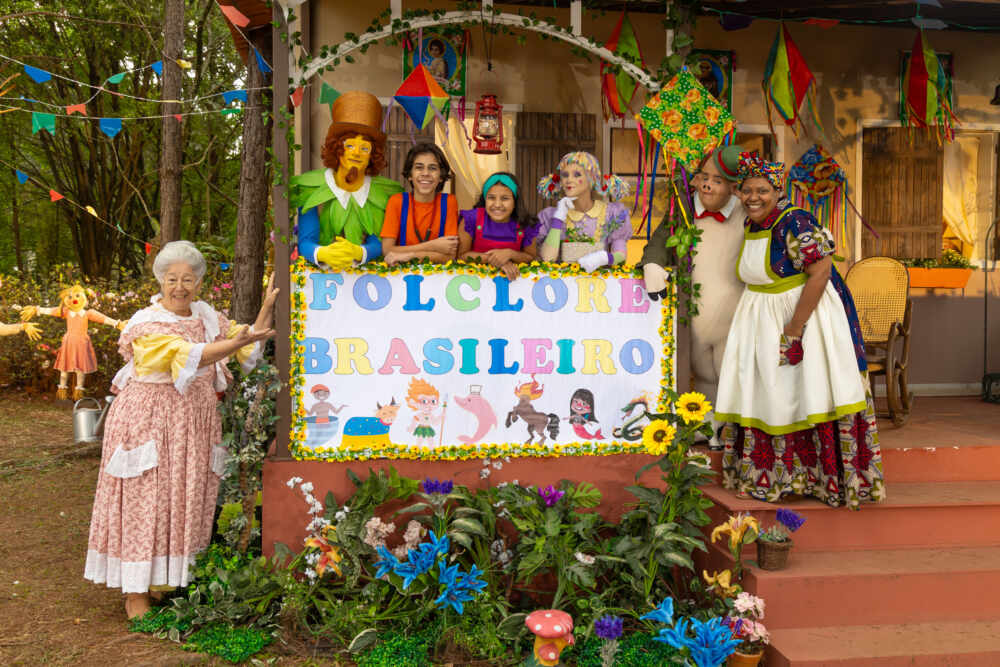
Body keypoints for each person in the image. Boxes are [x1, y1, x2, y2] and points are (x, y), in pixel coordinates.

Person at [84, 240, 277, 619]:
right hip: (150, 418)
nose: (179, 286)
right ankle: (135, 592)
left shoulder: (207, 317)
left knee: (183, 496)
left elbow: (247, 344)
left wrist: (267, 307)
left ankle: (163, 582)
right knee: (146, 499)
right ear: (160, 280)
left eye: (188, 279)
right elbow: (186, 355)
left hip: (194, 421)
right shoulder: (147, 323)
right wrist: (232, 343)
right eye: (172, 279)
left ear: (199, 282)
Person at [715, 153, 885, 510]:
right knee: (767, 394)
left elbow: (820, 272)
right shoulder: (753, 223)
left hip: (801, 316)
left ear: (778, 191)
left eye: (762, 190)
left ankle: (816, 480)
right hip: (761, 317)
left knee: (804, 392)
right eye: (747, 190)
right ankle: (772, 478)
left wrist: (794, 328)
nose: (753, 197)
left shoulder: (796, 221)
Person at [639, 145, 746, 449]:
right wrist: (653, 264)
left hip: (733, 313)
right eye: (704, 177)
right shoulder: (684, 209)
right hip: (695, 314)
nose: (708, 185)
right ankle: (706, 424)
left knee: (731, 371)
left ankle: (735, 428)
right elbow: (660, 240)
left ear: (734, 186)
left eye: (718, 180)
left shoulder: (746, 211)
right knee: (703, 373)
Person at [294, 91, 404, 270]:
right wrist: (322, 253)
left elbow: (379, 241)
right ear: (337, 149)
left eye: (365, 148)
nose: (356, 153)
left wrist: (360, 252)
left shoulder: (384, 194)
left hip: (368, 280)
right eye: (349, 145)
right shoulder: (310, 188)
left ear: (372, 156)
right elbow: (306, 240)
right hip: (321, 278)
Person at [20, 284, 126, 400]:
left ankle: (78, 391)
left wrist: (116, 323)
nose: (74, 299)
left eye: (77, 296)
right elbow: (51, 310)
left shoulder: (88, 313)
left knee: (80, 369)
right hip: (69, 343)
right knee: (64, 368)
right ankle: (62, 390)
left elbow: (102, 318)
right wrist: (37, 309)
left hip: (81, 343)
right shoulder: (66, 312)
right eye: (70, 297)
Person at [535, 152, 631, 272]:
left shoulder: (612, 213)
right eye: (565, 175)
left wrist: (605, 258)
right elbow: (547, 259)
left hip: (601, 281)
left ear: (592, 179)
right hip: (563, 282)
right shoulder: (549, 215)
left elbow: (621, 256)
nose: (569, 180)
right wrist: (558, 219)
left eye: (577, 175)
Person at [380, 143, 459, 265]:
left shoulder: (449, 202)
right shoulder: (397, 202)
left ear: (441, 177)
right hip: (400, 273)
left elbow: (450, 255)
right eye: (419, 167)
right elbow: (387, 250)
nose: (425, 173)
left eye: (432, 168)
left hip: (437, 275)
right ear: (410, 175)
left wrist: (409, 256)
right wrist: (433, 245)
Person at [457, 171, 540, 280]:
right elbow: (461, 256)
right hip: (475, 281)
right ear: (485, 199)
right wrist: (495, 260)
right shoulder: (471, 219)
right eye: (491, 198)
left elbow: (530, 257)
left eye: (505, 198)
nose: (497, 205)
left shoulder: (526, 224)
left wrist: (510, 254)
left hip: (512, 283)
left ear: (515, 201)